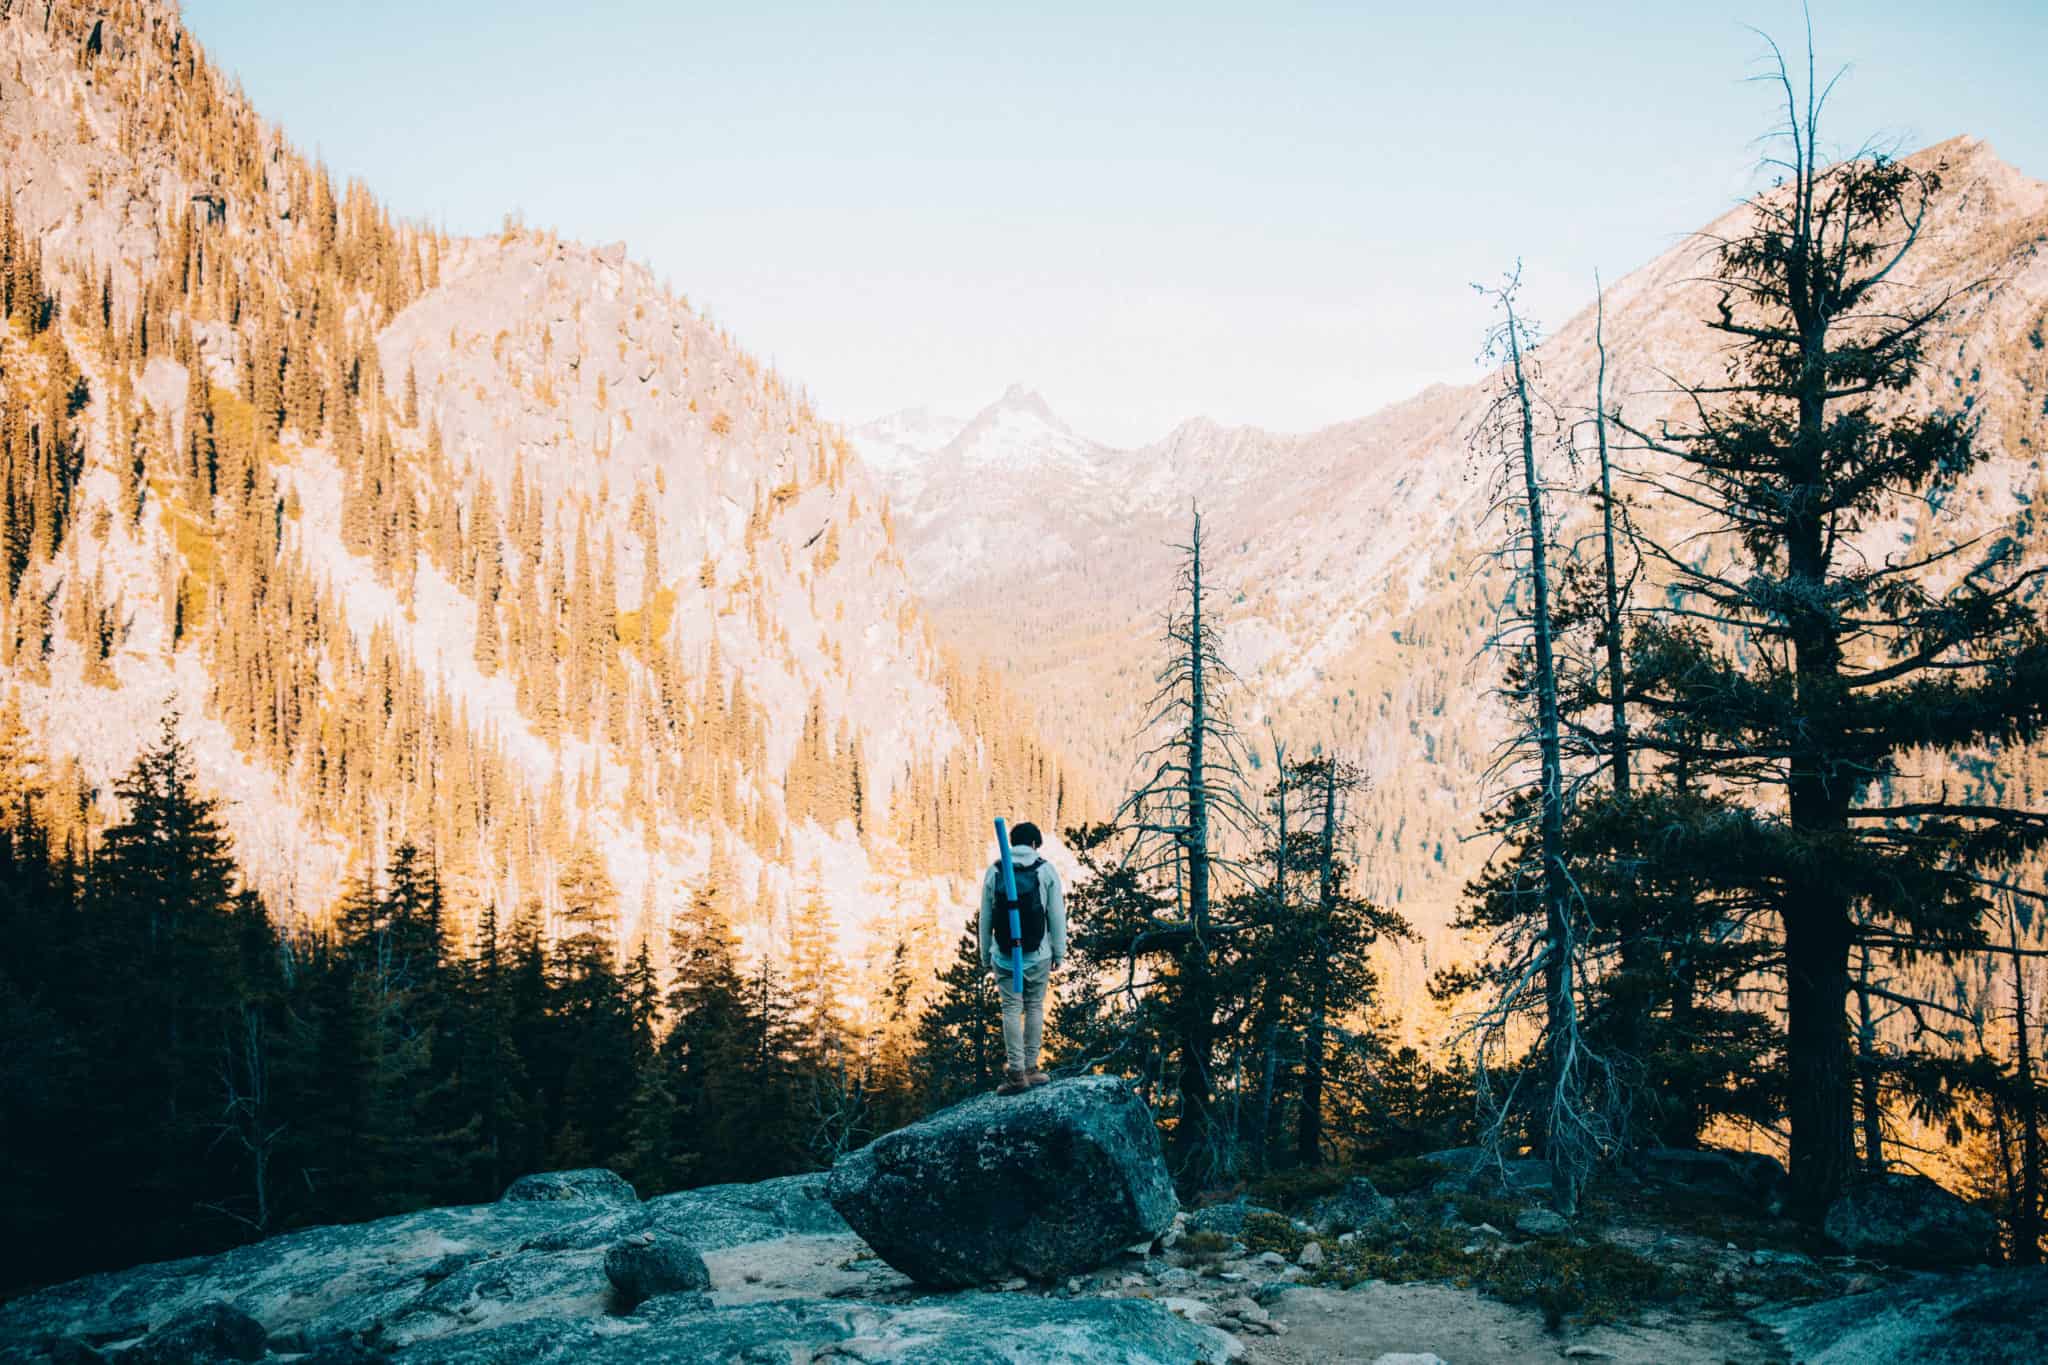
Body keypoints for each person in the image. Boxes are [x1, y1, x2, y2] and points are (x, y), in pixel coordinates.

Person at [979, 821, 1066, 1095]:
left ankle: (1016, 1073)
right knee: (1035, 1007)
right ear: (1034, 844)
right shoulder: (1046, 870)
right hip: (1038, 955)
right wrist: (1059, 951)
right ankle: (1031, 1068)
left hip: (1004, 957)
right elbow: (1056, 915)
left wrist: (984, 954)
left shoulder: (995, 870)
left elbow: (986, 916)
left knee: (1010, 1009)